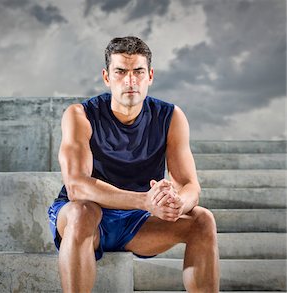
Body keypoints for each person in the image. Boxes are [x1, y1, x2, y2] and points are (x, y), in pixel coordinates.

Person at [47, 36, 219, 292]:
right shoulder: (80, 115)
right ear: (107, 77)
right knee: (82, 211)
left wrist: (176, 204)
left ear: (150, 75)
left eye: (138, 71)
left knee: (203, 219)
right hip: (87, 219)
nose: (130, 81)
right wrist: (144, 201)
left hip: (137, 222)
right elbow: (77, 187)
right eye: (121, 72)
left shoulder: (170, 117)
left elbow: (189, 184)